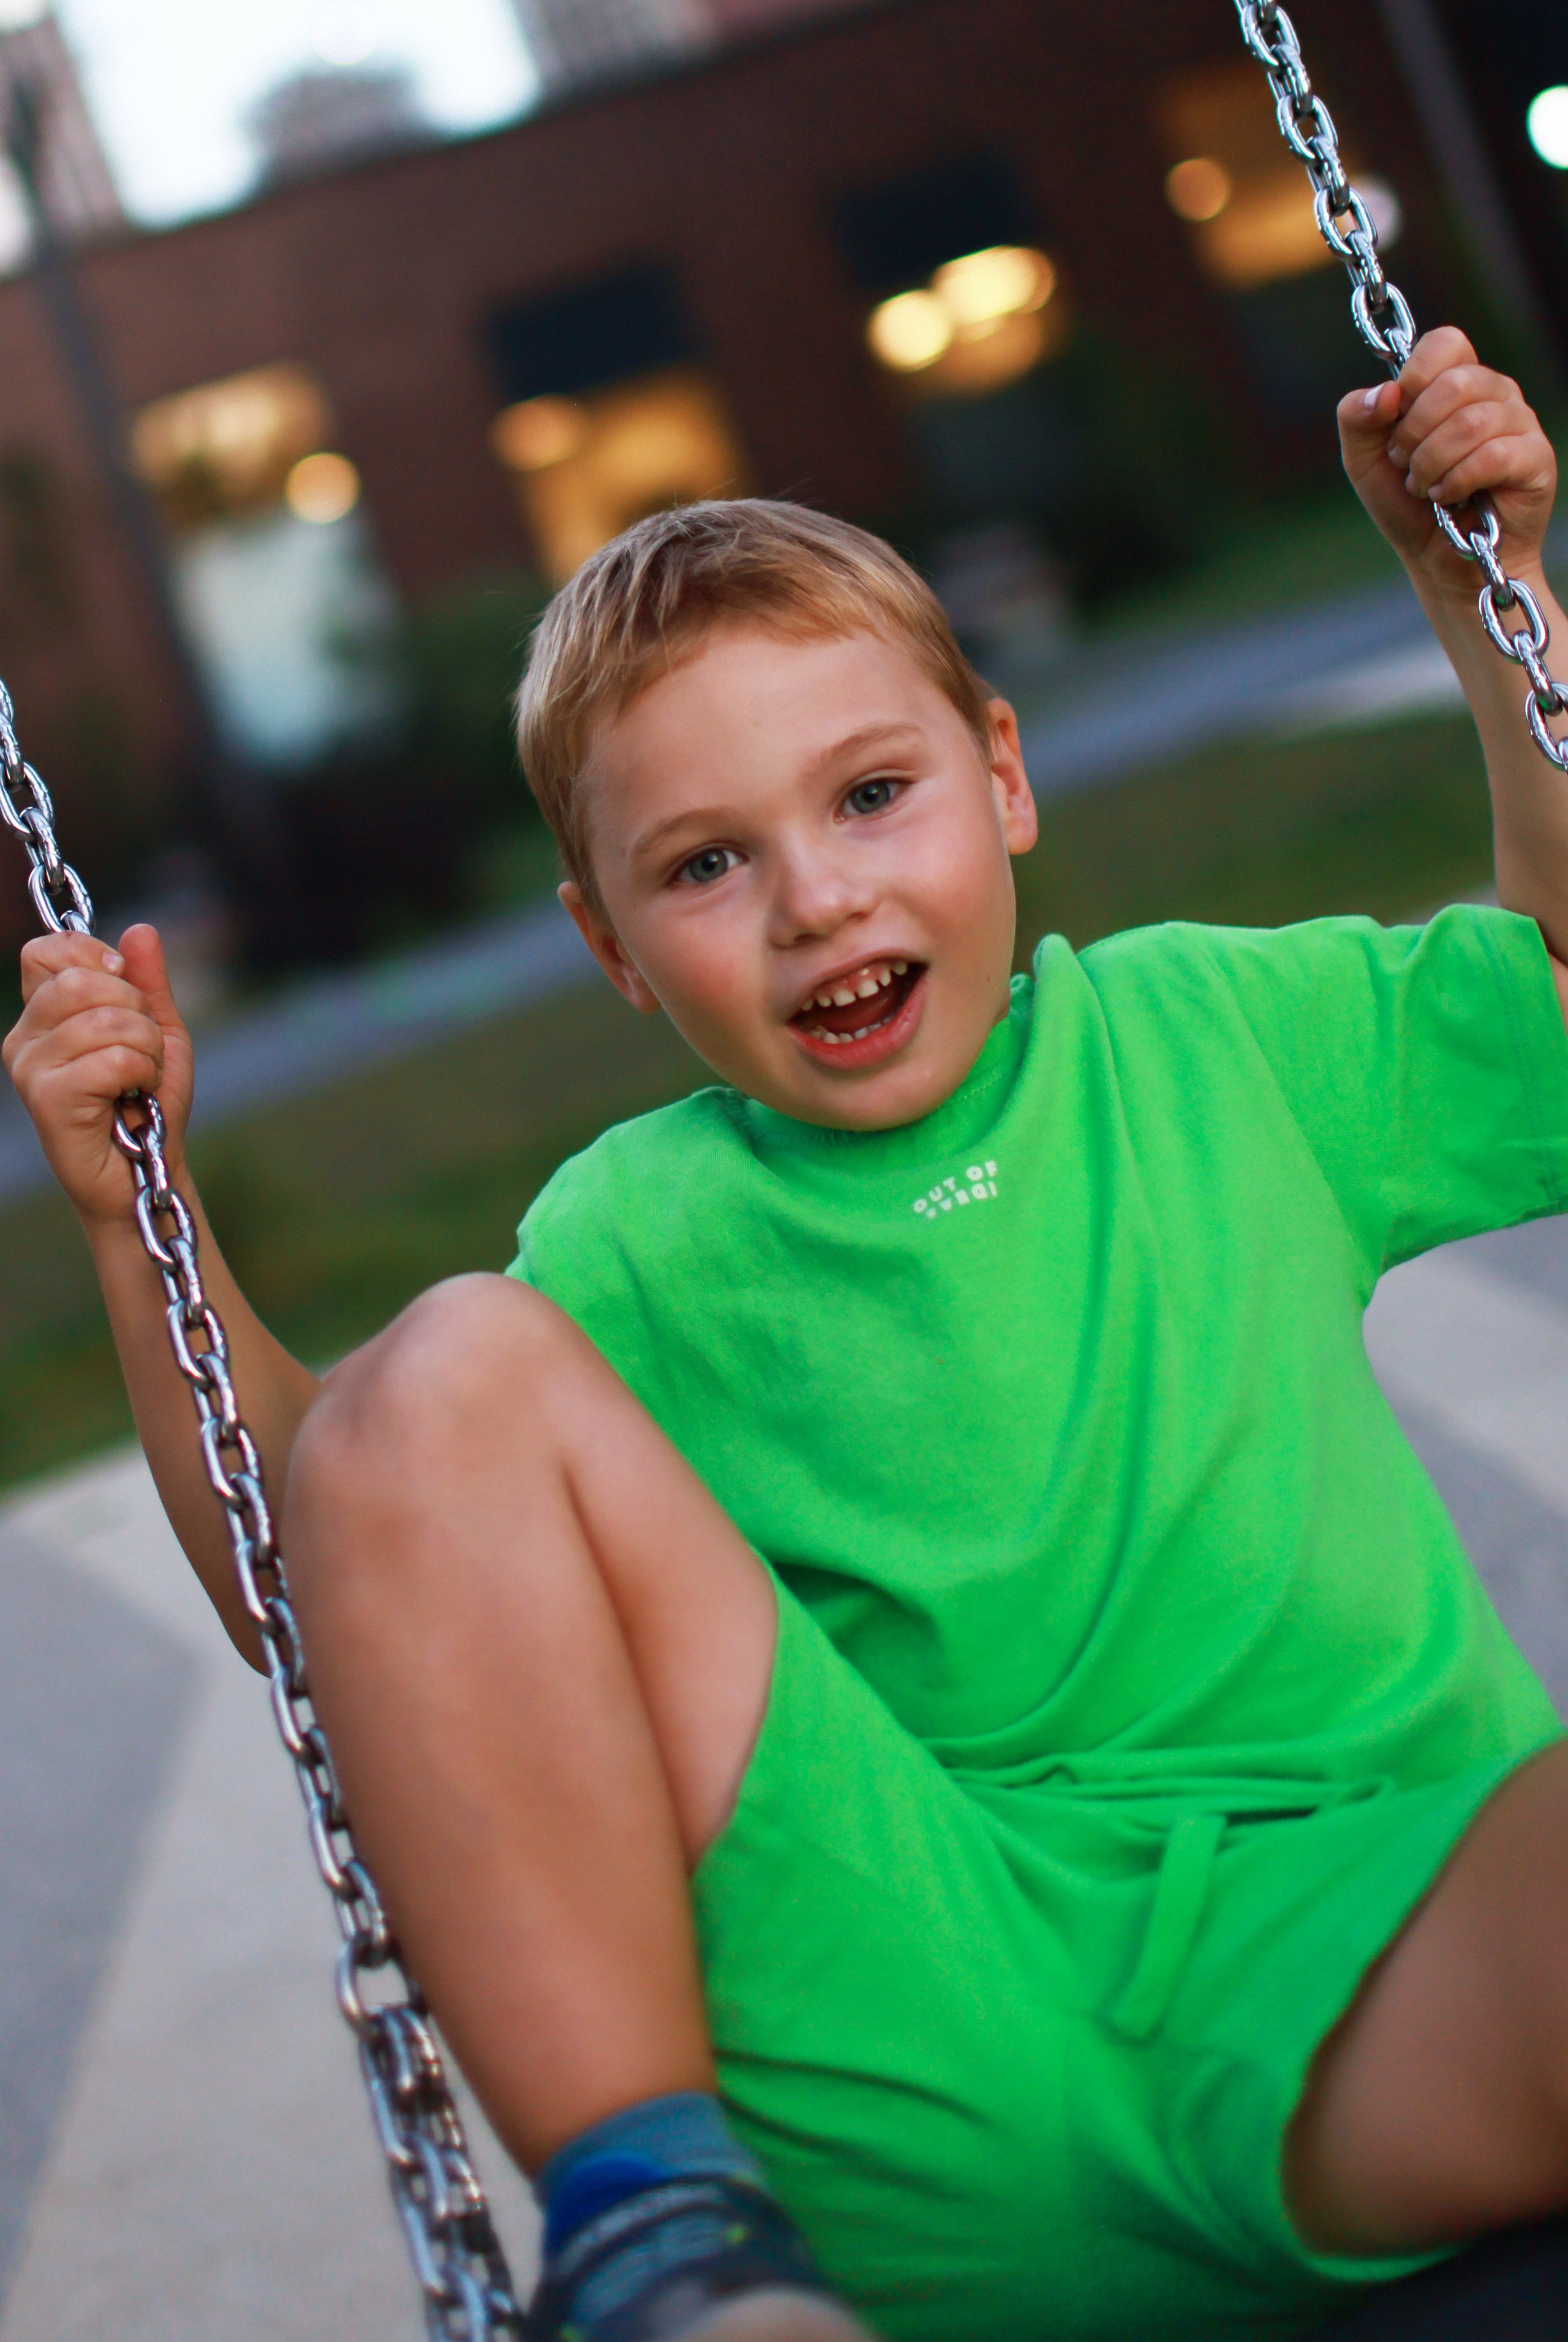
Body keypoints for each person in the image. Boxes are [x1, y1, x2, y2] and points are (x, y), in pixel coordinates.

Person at [8, 325, 1568, 2342]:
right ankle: (659, 2227)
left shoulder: (1217, 1041)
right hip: (932, 2043)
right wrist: (142, 1223)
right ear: (611, 945)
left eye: (873, 795)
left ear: (1003, 776)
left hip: (1387, 1962)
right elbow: (333, 1571)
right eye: (707, 863)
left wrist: (1492, 600)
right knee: (445, 1375)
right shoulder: (638, 1244)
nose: (816, 899)